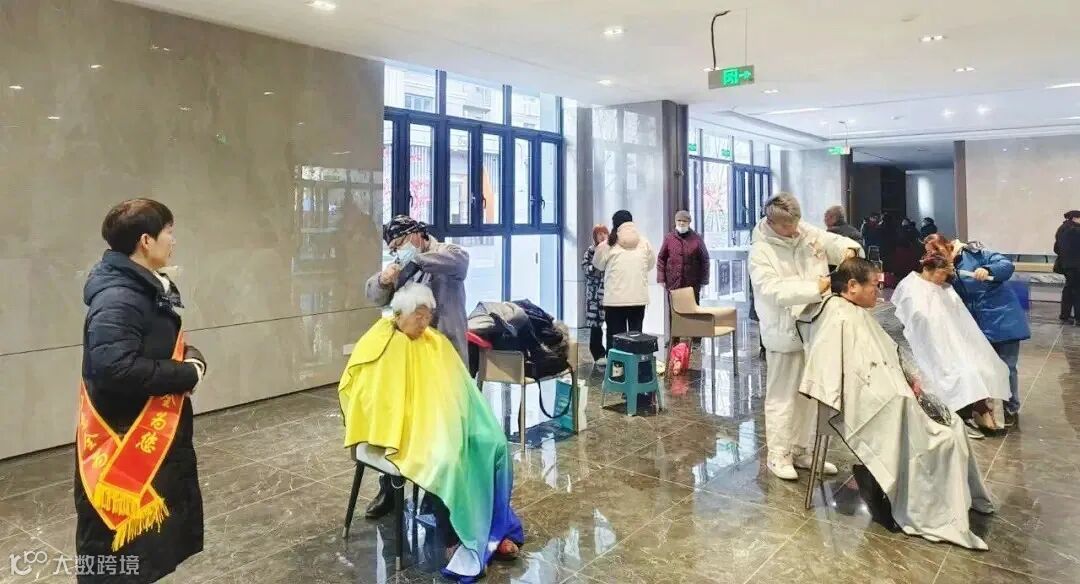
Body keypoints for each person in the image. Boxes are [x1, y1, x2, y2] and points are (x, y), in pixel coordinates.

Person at [799, 258, 994, 550]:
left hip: (892, 393)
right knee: (941, 439)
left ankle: (959, 500)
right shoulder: (839, 317)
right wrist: (900, 395)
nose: (879, 293)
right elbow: (847, 377)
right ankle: (933, 509)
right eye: (874, 286)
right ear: (852, 286)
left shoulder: (853, 312)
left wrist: (907, 382)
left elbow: (884, 357)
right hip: (878, 402)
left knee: (954, 425)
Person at [339, 284, 523, 582]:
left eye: (428, 316)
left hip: (441, 419)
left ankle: (493, 529)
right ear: (400, 314)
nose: (425, 322)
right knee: (448, 460)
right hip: (405, 432)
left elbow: (459, 387)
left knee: (493, 444)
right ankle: (454, 539)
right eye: (419, 316)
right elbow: (371, 398)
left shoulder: (434, 341)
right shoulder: (381, 343)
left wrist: (461, 419)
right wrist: (418, 422)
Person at [77, 199, 208, 583]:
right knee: (119, 550)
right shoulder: (118, 297)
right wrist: (184, 374)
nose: (173, 240)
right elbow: (114, 368)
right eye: (168, 232)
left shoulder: (142, 286)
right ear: (146, 241)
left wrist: (189, 362)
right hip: (123, 440)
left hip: (145, 431)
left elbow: (156, 346)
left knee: (145, 548)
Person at [749, 193, 861, 480]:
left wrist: (849, 251)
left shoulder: (805, 231)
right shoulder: (761, 251)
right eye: (787, 226)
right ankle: (779, 454)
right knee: (783, 396)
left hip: (815, 328)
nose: (794, 230)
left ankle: (802, 450)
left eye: (796, 223)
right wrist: (817, 287)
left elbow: (833, 243)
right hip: (783, 331)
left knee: (810, 395)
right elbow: (773, 290)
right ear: (772, 223)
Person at [364, 215, 469, 519]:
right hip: (409, 361)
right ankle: (390, 487)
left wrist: (415, 260)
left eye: (401, 243)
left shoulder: (447, 254)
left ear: (417, 234)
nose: (398, 251)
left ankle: (438, 494)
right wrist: (384, 279)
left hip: (445, 356)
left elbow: (459, 262)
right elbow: (374, 294)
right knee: (400, 422)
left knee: (442, 427)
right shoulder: (401, 264)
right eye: (393, 248)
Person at [890, 246, 1011, 437]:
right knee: (962, 374)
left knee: (986, 368)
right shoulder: (911, 285)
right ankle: (960, 416)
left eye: (946, 275)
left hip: (954, 342)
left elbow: (960, 320)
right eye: (941, 274)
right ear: (928, 269)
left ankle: (979, 410)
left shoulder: (946, 289)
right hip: (933, 346)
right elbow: (916, 318)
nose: (943, 279)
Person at [944, 234, 1031, 427]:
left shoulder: (977, 253)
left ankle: (1010, 409)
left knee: (1006, 367)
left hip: (1003, 320)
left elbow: (1005, 265)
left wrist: (988, 269)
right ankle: (984, 411)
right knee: (980, 368)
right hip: (977, 325)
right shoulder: (947, 268)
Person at [593, 210, 656, 349]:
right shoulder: (644, 242)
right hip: (638, 299)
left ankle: (616, 363)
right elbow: (650, 264)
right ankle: (635, 362)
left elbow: (597, 264)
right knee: (636, 339)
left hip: (615, 300)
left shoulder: (608, 244)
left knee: (615, 340)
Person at [657, 210, 711, 303]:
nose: (681, 223)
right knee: (675, 309)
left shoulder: (697, 238)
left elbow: (704, 260)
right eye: (679, 220)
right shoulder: (669, 238)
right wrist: (661, 278)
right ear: (675, 221)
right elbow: (661, 258)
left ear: (689, 222)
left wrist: (704, 280)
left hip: (692, 284)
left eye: (684, 221)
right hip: (673, 284)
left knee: (692, 309)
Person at [582, 224, 610, 363]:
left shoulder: (611, 250)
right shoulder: (590, 251)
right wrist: (594, 267)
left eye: (604, 233)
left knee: (612, 324)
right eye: (599, 234)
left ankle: (611, 353)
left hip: (608, 293)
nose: (602, 236)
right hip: (593, 294)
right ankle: (598, 354)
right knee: (595, 325)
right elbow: (585, 268)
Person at [1054, 210, 1080, 324]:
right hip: (1076, 266)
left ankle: (1065, 315)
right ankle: (1078, 318)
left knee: (1069, 290)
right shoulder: (1076, 230)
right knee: (1077, 291)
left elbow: (1056, 248)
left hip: (1066, 265)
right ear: (1075, 218)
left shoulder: (1061, 229)